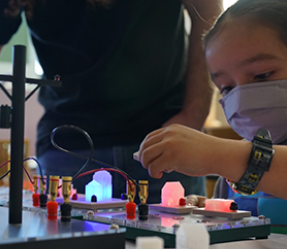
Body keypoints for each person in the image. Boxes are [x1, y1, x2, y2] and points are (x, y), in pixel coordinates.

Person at [0, 0, 223, 203]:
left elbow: (207, 9)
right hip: (66, 147)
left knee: (182, 245)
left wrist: (194, 115)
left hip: (165, 140)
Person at [138, 0, 287, 239]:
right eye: (226, 87)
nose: (242, 96)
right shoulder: (233, 162)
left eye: (262, 75)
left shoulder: (233, 158)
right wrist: (205, 210)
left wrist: (218, 154)